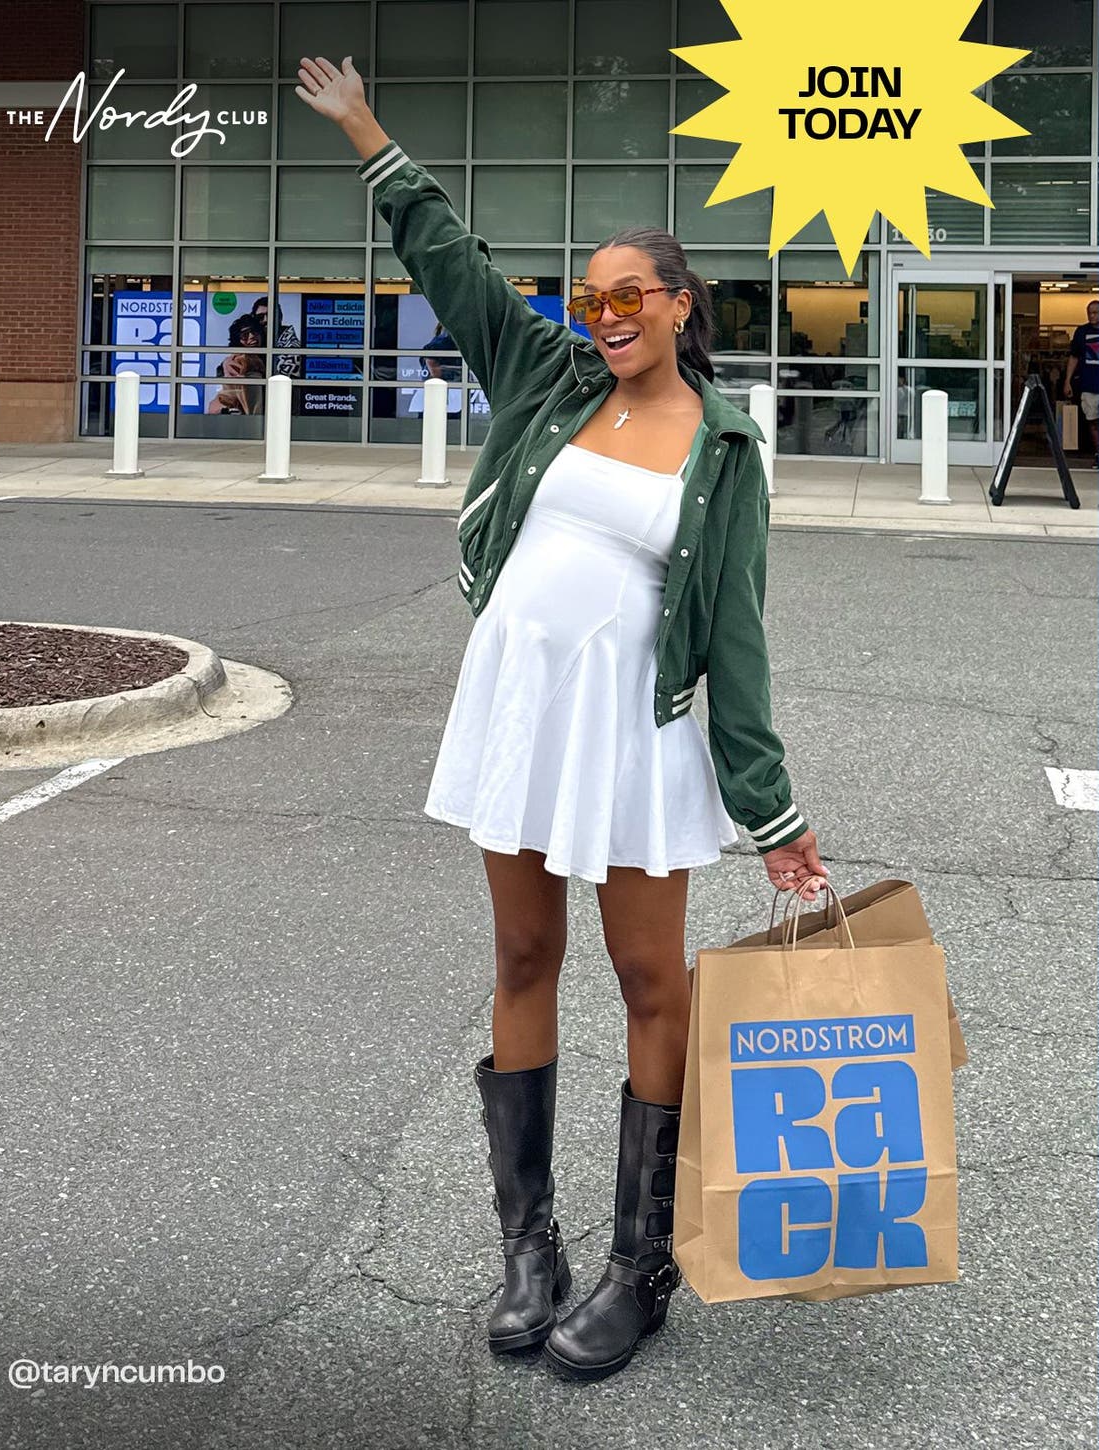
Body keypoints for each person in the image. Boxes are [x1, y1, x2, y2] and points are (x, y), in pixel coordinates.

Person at [296, 55, 827, 1383]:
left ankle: (639, 1268)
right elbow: (456, 267)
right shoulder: (547, 374)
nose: (604, 316)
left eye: (627, 296)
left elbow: (735, 638)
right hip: (523, 712)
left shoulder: (724, 449)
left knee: (651, 978)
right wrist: (369, 136)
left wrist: (773, 815)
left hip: (631, 734)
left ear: (680, 304)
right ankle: (526, 1248)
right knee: (524, 955)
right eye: (591, 298)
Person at [1065, 298, 1099, 468]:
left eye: (1095, 313)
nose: (1092, 316)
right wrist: (1067, 381)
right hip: (1089, 385)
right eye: (1089, 313)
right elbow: (1074, 357)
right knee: (1092, 421)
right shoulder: (1081, 332)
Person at [208, 315, 265, 414]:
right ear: (238, 340)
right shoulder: (240, 363)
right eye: (245, 335)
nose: (251, 336)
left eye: (255, 331)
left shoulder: (263, 359)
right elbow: (252, 407)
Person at [251, 297, 303, 380]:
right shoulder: (257, 343)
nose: (266, 320)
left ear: (280, 317)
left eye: (271, 315)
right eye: (260, 317)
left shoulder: (292, 349)